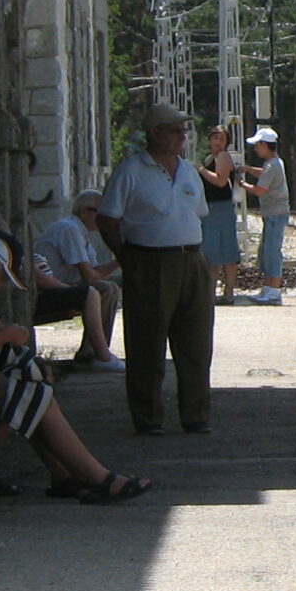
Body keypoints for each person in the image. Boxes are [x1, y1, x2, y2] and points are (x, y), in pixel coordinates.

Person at [0, 209, 152, 501]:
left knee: (31, 380)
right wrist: (8, 335)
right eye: (1, 277)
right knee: (36, 396)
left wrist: (13, 340)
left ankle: (59, 474)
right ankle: (99, 478)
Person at [97, 99, 214, 436]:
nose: (182, 136)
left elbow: (196, 214)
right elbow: (107, 219)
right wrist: (128, 259)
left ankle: (196, 414)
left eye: (184, 130)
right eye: (176, 130)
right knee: (147, 343)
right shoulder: (131, 171)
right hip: (149, 261)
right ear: (155, 133)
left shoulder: (189, 170)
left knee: (196, 341)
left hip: (192, 260)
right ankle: (148, 418)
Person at [32, 190, 125, 370]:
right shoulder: (69, 229)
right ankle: (95, 354)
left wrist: (122, 258)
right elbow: (90, 277)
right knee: (105, 289)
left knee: (108, 288)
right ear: (84, 212)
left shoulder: (81, 234)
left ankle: (93, 352)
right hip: (46, 292)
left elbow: (95, 273)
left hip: (61, 289)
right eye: (101, 212)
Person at [196, 123, 243, 306]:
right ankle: (212, 291)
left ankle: (228, 291)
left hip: (221, 209)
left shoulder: (223, 157)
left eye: (221, 138)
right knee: (212, 254)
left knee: (226, 252)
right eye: (215, 137)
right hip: (211, 209)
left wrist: (200, 169)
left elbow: (221, 181)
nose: (217, 141)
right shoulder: (211, 158)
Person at [242, 127, 290, 305]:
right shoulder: (275, 163)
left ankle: (274, 291)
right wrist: (248, 169)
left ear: (265, 145)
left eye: (257, 145)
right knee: (267, 251)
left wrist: (242, 184)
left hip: (274, 213)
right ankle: (269, 289)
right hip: (273, 213)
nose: (256, 148)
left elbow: (260, 190)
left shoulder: (271, 165)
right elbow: (264, 174)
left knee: (272, 252)